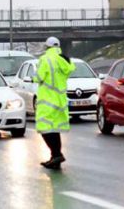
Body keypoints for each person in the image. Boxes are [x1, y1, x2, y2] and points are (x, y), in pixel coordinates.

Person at [33, 37, 76, 170]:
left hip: (47, 100)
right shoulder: (64, 59)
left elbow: (38, 78)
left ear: (47, 47)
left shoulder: (45, 59)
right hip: (61, 100)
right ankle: (55, 157)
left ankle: (56, 154)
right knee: (54, 130)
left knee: (45, 129)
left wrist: (34, 76)